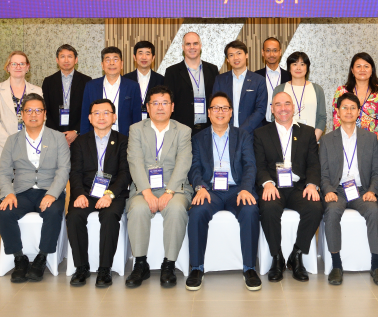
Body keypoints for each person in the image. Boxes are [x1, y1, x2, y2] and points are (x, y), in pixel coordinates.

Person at [186, 92, 261, 291]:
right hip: (210, 190)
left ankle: (250, 268)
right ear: (209, 113)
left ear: (231, 113)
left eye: (224, 108)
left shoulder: (243, 136)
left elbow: (250, 166)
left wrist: (246, 189)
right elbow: (194, 168)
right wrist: (200, 187)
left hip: (237, 189)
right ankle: (196, 267)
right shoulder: (198, 138)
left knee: (251, 210)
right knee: (197, 211)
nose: (220, 112)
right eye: (216, 108)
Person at [0, 93, 70, 283]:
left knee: (53, 212)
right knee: (5, 212)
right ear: (22, 114)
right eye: (29, 110)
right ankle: (19, 259)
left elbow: (64, 169)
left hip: (49, 189)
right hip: (22, 191)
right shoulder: (12, 140)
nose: (33, 114)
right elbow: (3, 171)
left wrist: (53, 194)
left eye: (38, 110)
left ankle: (41, 258)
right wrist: (9, 193)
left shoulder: (57, 138)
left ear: (45, 114)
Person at [125, 85, 194, 288]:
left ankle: (169, 264)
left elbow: (184, 162)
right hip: (143, 187)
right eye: (155, 103)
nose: (160, 107)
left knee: (176, 209)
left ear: (172, 107)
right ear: (148, 106)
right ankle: (140, 264)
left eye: (164, 103)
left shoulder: (183, 130)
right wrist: (146, 192)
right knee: (137, 209)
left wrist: (169, 192)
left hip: (176, 188)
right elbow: (134, 161)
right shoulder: (136, 129)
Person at [254, 91, 323, 283]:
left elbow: (314, 164)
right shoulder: (260, 133)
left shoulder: (307, 132)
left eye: (287, 104)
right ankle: (277, 257)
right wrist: (267, 183)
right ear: (272, 109)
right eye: (278, 105)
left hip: (298, 186)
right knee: (268, 208)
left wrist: (311, 184)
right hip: (273, 186)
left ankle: (297, 254)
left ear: (294, 108)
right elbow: (258, 165)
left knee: (315, 206)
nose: (283, 108)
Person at [319, 93, 378, 287]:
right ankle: (336, 265)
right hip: (337, 189)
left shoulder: (370, 138)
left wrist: (373, 190)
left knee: (374, 211)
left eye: (352, 108)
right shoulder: (327, 140)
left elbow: (376, 171)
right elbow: (323, 173)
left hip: (362, 189)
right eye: (344, 107)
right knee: (331, 212)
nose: (348, 111)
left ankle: (376, 265)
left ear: (359, 112)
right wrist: (327, 190)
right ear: (338, 112)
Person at [66, 99, 131, 288]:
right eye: (96, 113)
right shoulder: (79, 142)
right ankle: (81, 267)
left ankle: (104, 269)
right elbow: (75, 172)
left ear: (114, 117)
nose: (101, 117)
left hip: (113, 193)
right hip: (86, 191)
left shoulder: (123, 141)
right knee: (74, 217)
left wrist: (109, 194)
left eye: (106, 113)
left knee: (110, 216)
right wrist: (78, 194)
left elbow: (125, 173)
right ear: (89, 117)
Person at [0, 51, 43, 238]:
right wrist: (13, 146)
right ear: (7, 66)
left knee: (23, 197)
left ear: (28, 67)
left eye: (22, 63)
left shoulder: (37, 90)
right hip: (1, 152)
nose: (18, 67)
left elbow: (41, 119)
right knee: (2, 197)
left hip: (29, 153)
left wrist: (26, 145)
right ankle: (7, 239)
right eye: (14, 63)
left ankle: (24, 238)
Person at [80, 46, 142, 136]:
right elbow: (85, 116)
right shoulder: (91, 86)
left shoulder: (133, 86)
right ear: (102, 65)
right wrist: (85, 141)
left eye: (115, 60)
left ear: (121, 64)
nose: (112, 63)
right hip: (96, 138)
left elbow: (136, 118)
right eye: (107, 60)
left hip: (124, 139)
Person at [331, 53, 378, 141]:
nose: (362, 70)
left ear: (372, 70)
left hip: (374, 142)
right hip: (347, 140)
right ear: (352, 70)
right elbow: (337, 118)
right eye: (358, 66)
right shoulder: (341, 91)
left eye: (366, 66)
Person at [164, 32, 217, 134]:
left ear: (200, 46)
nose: (192, 47)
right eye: (188, 44)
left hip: (208, 129)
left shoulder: (212, 70)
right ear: (183, 47)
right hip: (181, 129)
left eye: (195, 43)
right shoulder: (172, 72)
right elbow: (168, 101)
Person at [212, 40, 268, 134]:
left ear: (246, 55)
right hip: (225, 133)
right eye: (231, 55)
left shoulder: (259, 80)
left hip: (251, 134)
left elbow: (261, 110)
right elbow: (215, 107)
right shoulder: (220, 80)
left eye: (239, 53)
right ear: (227, 60)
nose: (235, 58)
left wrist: (242, 131)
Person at [42, 44, 92, 145]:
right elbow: (45, 110)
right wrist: (57, 133)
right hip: (54, 135)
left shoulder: (86, 81)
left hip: (79, 135)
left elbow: (88, 109)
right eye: (62, 56)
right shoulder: (48, 81)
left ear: (76, 60)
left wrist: (76, 131)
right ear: (57, 60)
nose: (66, 60)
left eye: (69, 56)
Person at [273, 51, 327, 139]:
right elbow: (275, 116)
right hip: (285, 139)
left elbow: (322, 118)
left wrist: (313, 140)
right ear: (289, 68)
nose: (298, 68)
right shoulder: (279, 89)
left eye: (302, 64)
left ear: (307, 68)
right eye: (294, 64)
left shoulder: (317, 89)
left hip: (311, 140)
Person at [123, 40, 165, 121]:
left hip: (154, 123)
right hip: (131, 123)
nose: (144, 57)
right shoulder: (126, 79)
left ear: (153, 58)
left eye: (148, 54)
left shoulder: (161, 80)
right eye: (140, 53)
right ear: (134, 57)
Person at [254, 37, 291, 123]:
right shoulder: (255, 76)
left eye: (275, 50)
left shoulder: (289, 76)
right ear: (262, 52)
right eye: (268, 50)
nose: (271, 54)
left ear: (280, 52)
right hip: (260, 125)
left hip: (284, 122)